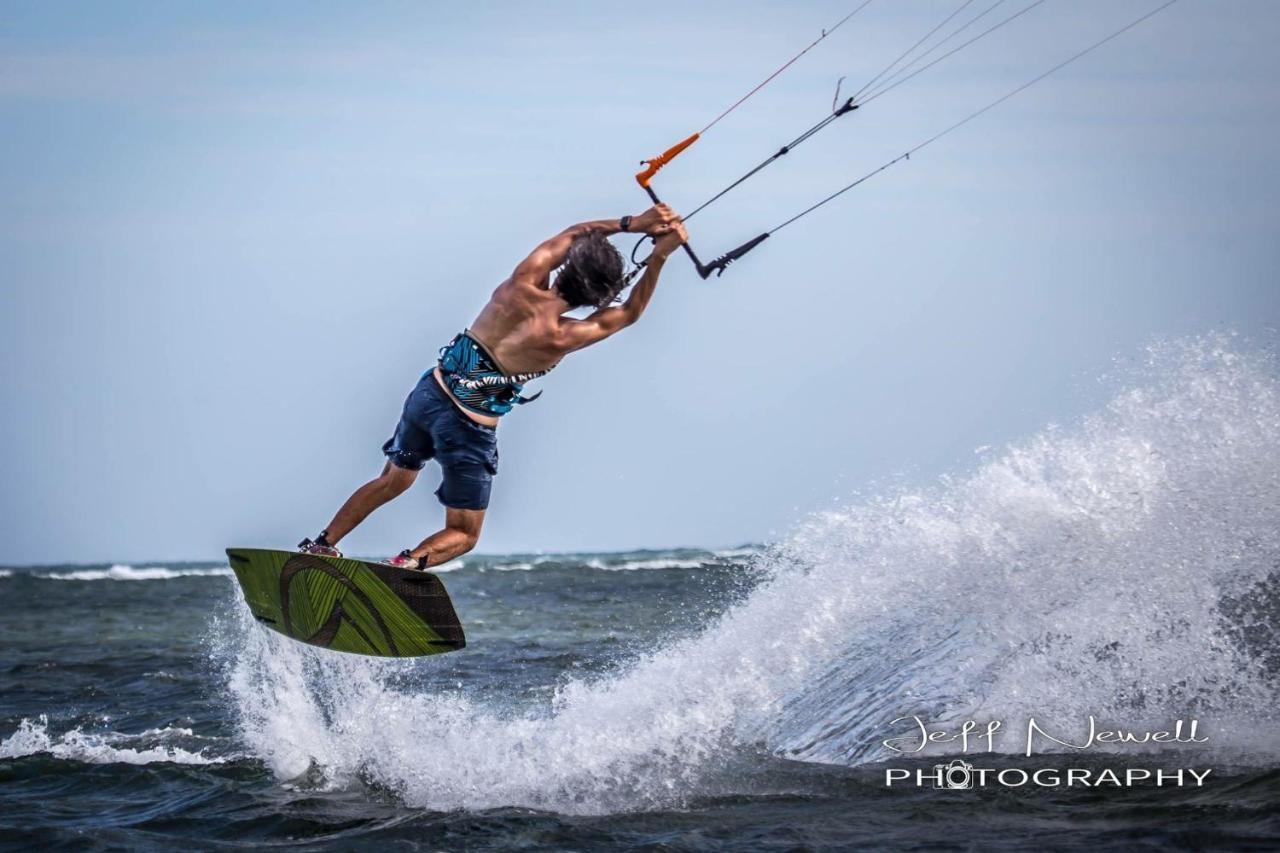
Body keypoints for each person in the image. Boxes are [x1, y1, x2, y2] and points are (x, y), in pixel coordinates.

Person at [297, 204, 688, 569]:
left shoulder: (520, 283)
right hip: (467, 427)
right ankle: (406, 565)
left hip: (429, 395)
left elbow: (574, 231)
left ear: (568, 264)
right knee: (464, 533)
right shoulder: (563, 335)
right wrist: (661, 256)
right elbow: (630, 313)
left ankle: (322, 544)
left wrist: (633, 224)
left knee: (392, 480)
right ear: (597, 297)